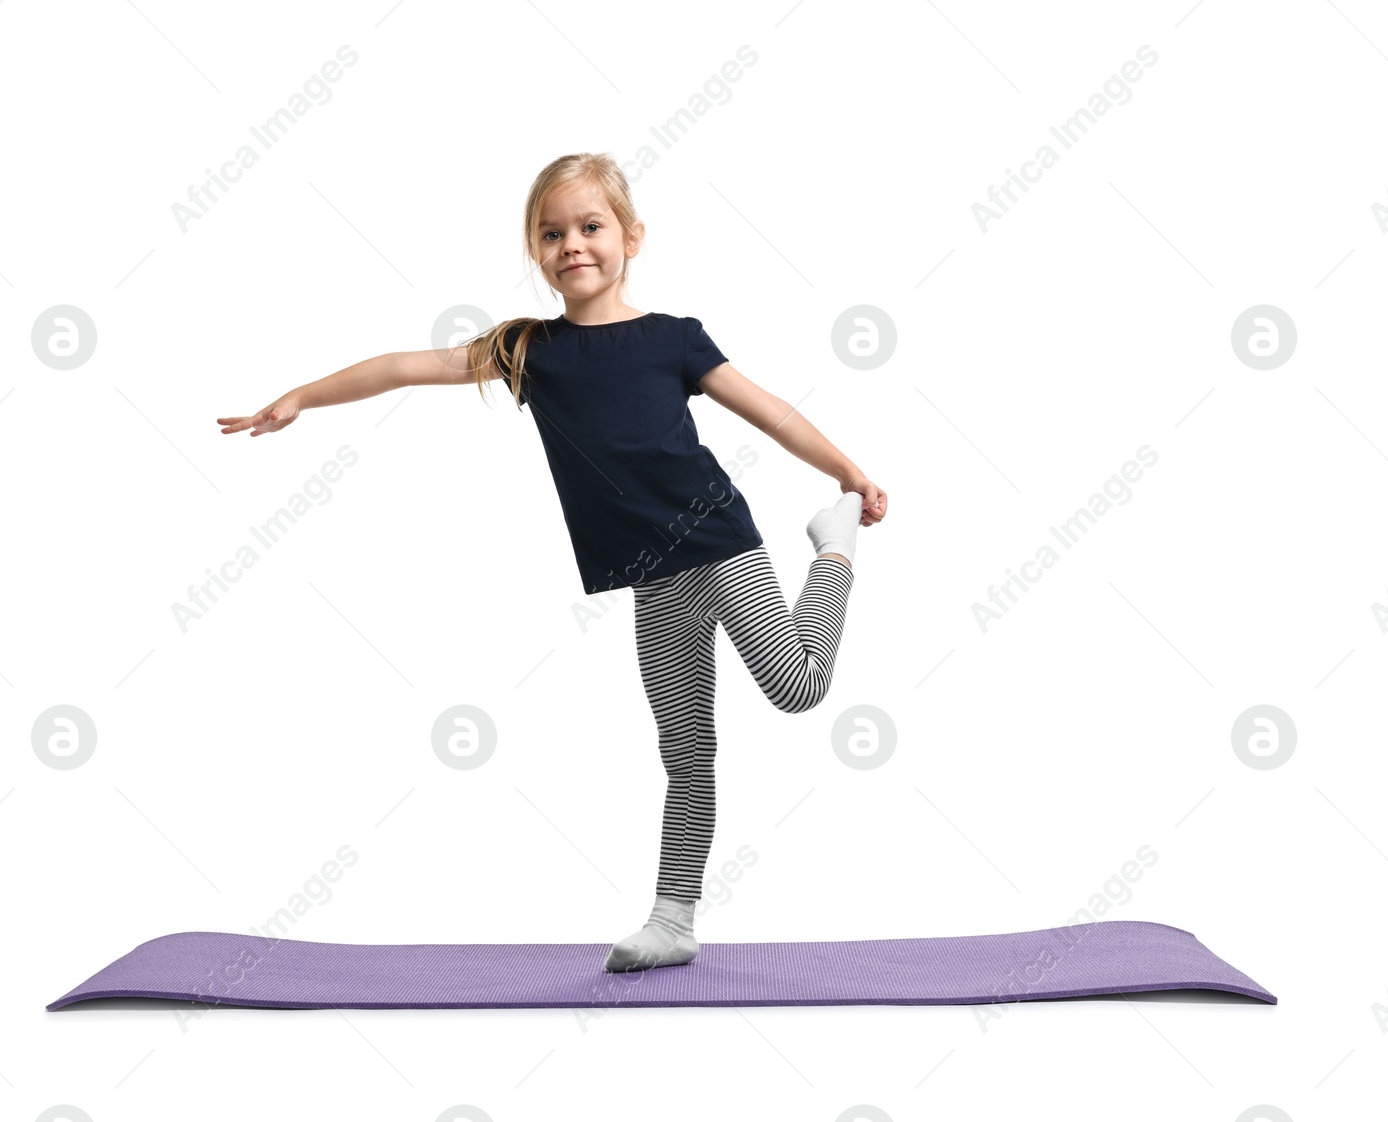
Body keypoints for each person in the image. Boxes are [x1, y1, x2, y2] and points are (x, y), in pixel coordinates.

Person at [218, 152, 889, 973]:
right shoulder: (527, 350)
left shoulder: (673, 339)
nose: (572, 244)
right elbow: (404, 365)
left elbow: (771, 412)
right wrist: (300, 396)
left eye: (590, 226)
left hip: (717, 540)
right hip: (652, 576)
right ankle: (674, 919)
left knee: (797, 687)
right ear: (536, 251)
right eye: (552, 233)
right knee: (686, 752)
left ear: (631, 238)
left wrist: (848, 475)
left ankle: (834, 545)